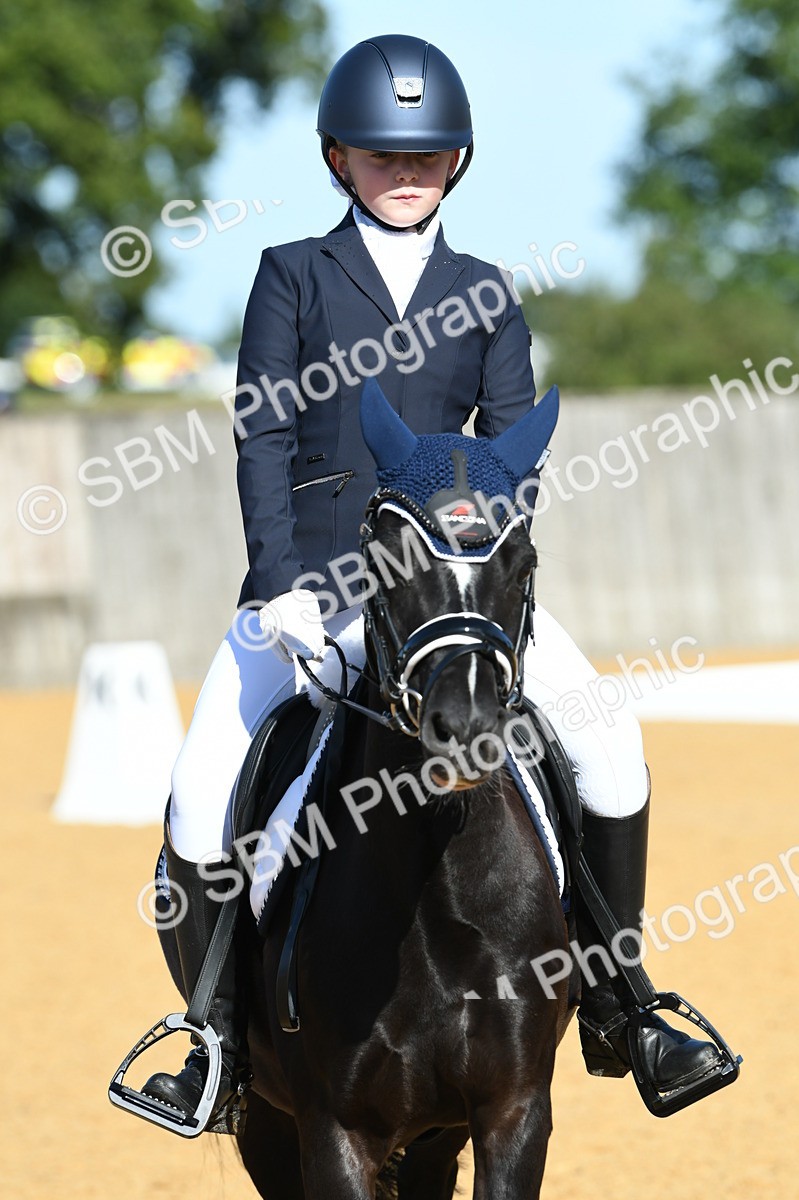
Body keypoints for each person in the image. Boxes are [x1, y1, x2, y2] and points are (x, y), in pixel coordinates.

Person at [140, 34, 723, 1129]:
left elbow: (512, 455)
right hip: (312, 590)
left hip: (457, 598)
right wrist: (279, 590)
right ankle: (213, 1036)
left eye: (425, 157)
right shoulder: (294, 277)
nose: (403, 175)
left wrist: (486, 594)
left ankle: (620, 1003)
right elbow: (261, 436)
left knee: (610, 750)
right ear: (337, 159)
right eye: (378, 156)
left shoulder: (485, 291)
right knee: (201, 787)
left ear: (454, 162)